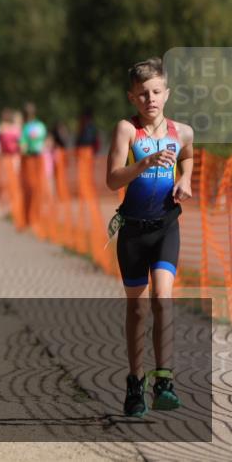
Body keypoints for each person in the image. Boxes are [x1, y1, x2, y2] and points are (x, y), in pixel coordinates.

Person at [106, 57, 193, 418]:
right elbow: (112, 180)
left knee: (162, 298)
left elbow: (188, 156)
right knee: (138, 309)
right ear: (132, 98)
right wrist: (143, 163)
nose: (150, 99)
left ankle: (164, 381)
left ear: (167, 93)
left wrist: (185, 179)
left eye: (156, 92)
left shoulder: (181, 131)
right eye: (143, 94)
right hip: (132, 230)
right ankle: (134, 382)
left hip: (165, 226)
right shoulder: (127, 130)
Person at [19, 103, 47, 227]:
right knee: (38, 189)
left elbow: (23, 146)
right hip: (40, 159)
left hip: (29, 160)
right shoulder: (41, 126)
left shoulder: (26, 128)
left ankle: (28, 218)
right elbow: (45, 141)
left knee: (28, 189)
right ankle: (37, 217)